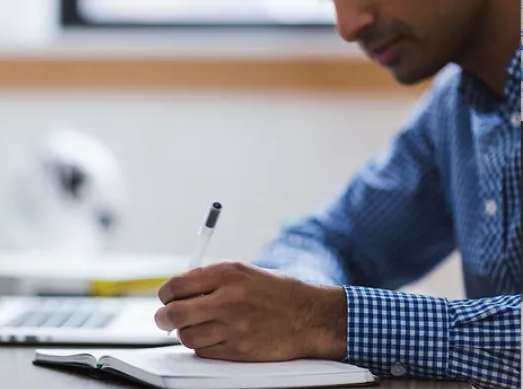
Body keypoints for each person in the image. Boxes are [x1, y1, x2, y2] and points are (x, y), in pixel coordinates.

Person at [153, 1, 521, 388]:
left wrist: (326, 319)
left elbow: (320, 311)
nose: (347, 27)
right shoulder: (455, 105)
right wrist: (288, 303)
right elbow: (329, 240)